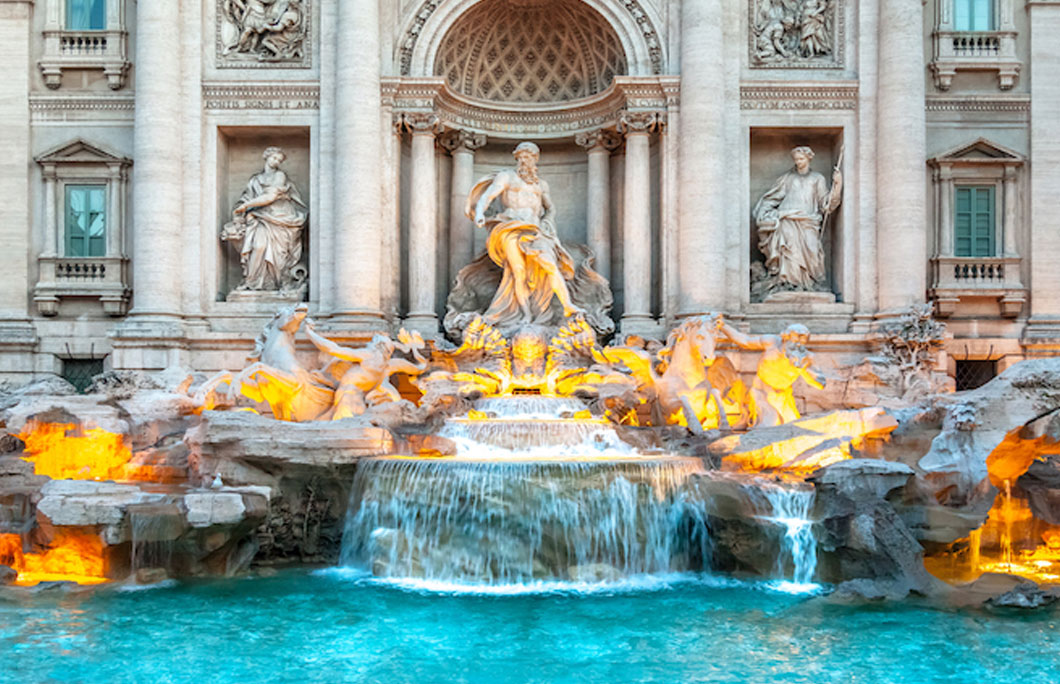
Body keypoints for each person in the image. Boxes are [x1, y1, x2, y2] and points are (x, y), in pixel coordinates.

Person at [466, 142, 584, 329]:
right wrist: (480, 213)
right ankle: (526, 314)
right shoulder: (507, 177)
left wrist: (548, 222)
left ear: (535, 160)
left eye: (528, 157)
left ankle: (568, 305)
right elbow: (487, 197)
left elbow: (550, 208)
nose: (524, 160)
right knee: (518, 272)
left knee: (550, 265)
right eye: (521, 157)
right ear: (517, 158)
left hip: (536, 230)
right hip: (511, 228)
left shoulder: (541, 184)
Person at [754, 146, 841, 293]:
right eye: (796, 160)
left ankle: (810, 283)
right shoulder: (787, 178)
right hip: (787, 219)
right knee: (789, 251)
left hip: (809, 221)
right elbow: (772, 198)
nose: (798, 162)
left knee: (812, 250)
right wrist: (764, 212)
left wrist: (838, 184)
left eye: (801, 159)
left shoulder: (817, 178)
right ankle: (789, 284)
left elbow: (826, 203)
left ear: (808, 159)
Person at [222, 146, 308, 293]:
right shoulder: (255, 180)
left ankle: (278, 283)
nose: (276, 162)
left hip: (280, 218)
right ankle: (251, 282)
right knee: (258, 246)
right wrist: (242, 210)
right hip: (260, 218)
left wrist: (245, 206)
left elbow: (270, 197)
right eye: (274, 158)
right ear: (266, 156)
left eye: (279, 160)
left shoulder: (279, 175)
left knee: (278, 254)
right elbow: (246, 198)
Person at [717, 321, 825, 427]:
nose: (798, 344)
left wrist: (804, 369)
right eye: (795, 338)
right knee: (769, 423)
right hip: (761, 391)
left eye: (803, 340)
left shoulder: (808, 357)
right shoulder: (771, 342)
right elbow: (745, 341)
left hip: (783, 396)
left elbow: (820, 384)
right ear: (785, 337)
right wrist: (723, 326)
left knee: (792, 425)